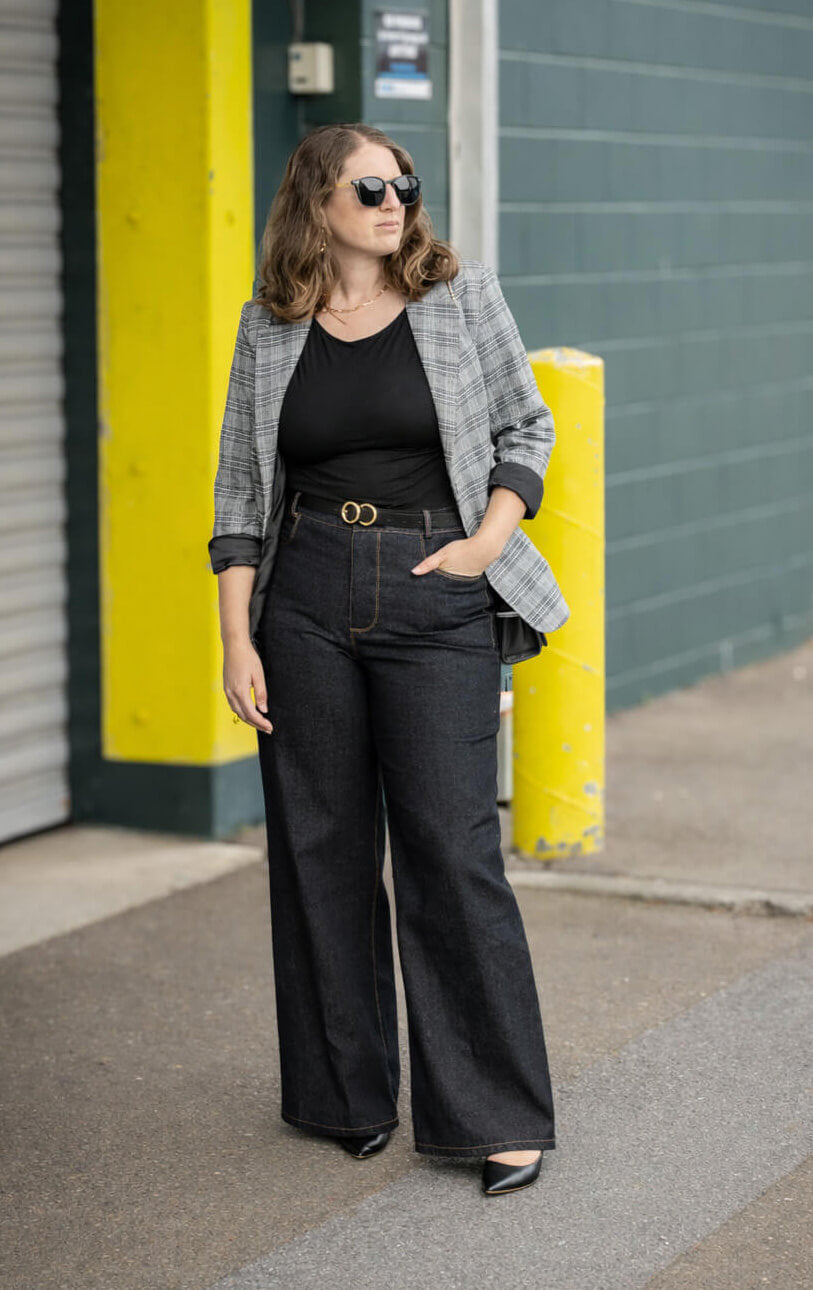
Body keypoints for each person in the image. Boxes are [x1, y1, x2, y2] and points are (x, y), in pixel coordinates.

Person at [208, 123, 569, 1197]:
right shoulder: (268, 328)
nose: (393, 200)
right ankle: (343, 1095)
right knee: (320, 847)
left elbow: (527, 428)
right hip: (306, 595)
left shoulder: (461, 301)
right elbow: (238, 496)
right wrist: (237, 637)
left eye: (404, 185)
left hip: (434, 584)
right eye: (371, 186)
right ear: (317, 199)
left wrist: (488, 545)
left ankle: (497, 1114)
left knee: (452, 851)